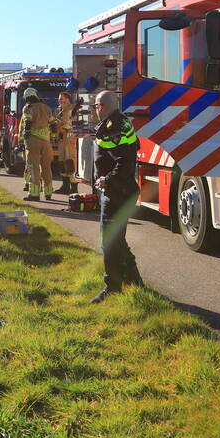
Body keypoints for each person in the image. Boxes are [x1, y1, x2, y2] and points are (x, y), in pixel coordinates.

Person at [90, 90, 142, 303]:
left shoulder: (113, 128)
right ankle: (134, 279)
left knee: (109, 241)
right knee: (117, 238)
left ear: (102, 106)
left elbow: (125, 162)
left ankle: (112, 287)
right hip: (123, 190)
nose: (94, 109)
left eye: (95, 105)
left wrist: (106, 180)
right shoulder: (121, 122)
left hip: (117, 192)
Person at [19, 88, 53, 201]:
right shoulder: (46, 107)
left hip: (33, 140)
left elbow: (27, 122)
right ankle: (48, 193)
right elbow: (53, 123)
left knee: (33, 167)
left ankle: (34, 194)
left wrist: (26, 134)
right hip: (46, 142)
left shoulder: (28, 107)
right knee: (46, 167)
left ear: (27, 97)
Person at [53, 92, 77, 195]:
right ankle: (65, 186)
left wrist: (63, 127)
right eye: (59, 99)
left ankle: (74, 187)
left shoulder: (71, 109)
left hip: (69, 140)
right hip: (61, 140)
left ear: (67, 99)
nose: (59, 100)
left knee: (70, 163)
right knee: (61, 163)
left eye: (61, 98)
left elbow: (73, 124)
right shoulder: (59, 110)